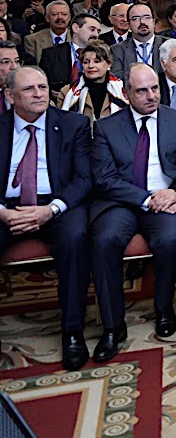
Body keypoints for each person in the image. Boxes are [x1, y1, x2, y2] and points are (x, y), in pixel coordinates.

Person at [89, 64, 176, 362]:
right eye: (142, 91)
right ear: (126, 93)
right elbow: (104, 179)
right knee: (105, 240)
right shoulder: (107, 127)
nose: (151, 96)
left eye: (155, 88)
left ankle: (164, 307)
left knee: (172, 238)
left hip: (166, 199)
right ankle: (112, 326)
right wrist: (147, 199)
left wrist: (175, 193)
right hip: (122, 202)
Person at [0, 66, 92, 370]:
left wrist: (50, 210)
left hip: (56, 205)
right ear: (10, 96)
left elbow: (83, 179)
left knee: (75, 238)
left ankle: (73, 331)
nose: (39, 94)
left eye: (42, 87)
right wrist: (3, 213)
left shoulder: (73, 124)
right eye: (29, 89)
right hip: (7, 207)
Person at [58, 40, 128, 121]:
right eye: (86, 62)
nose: (91, 66)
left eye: (96, 61)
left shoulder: (123, 90)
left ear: (109, 63)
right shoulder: (67, 92)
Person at [38, 13, 102, 94]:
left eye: (98, 31)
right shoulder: (51, 54)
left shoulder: (101, 55)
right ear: (75, 28)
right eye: (92, 29)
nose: (96, 35)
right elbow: (42, 83)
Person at [111, 3, 167, 78]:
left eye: (147, 17)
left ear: (153, 22)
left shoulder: (168, 45)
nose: (142, 22)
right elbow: (118, 78)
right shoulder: (117, 50)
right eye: (135, 18)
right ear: (129, 25)